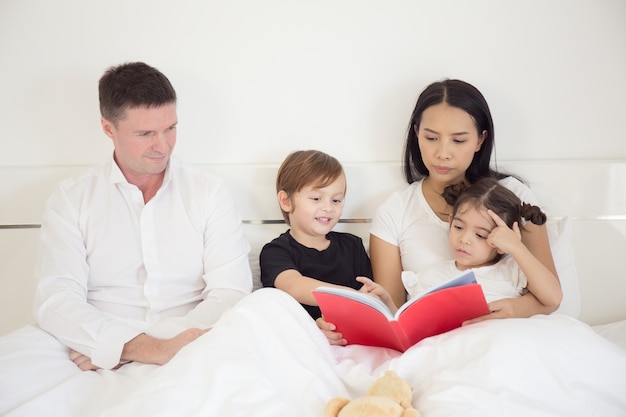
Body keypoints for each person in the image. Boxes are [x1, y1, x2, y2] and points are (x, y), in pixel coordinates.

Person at [32, 62, 253, 371]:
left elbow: (231, 292)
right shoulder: (71, 199)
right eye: (146, 133)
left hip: (191, 342)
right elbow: (56, 300)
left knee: (274, 307)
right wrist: (132, 345)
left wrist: (139, 347)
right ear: (108, 128)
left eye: (170, 128)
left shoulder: (209, 192)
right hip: (94, 349)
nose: (162, 146)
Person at [369, 79, 560, 321]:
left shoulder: (514, 197)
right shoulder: (394, 211)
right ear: (417, 133)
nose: (443, 153)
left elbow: (551, 297)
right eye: (431, 138)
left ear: (480, 140)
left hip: (510, 335)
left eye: (458, 140)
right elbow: (394, 315)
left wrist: (516, 308)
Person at [259, 150, 391, 342]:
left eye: (336, 200)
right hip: (300, 339)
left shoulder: (352, 245)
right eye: (316, 198)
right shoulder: (276, 251)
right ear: (286, 201)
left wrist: (365, 302)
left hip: (350, 338)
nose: (328, 207)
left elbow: (369, 297)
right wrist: (351, 297)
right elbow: (294, 285)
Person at [401, 178, 563, 308]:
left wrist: (516, 247)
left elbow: (553, 298)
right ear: (450, 222)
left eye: (480, 235)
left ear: (502, 242)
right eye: (458, 227)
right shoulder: (431, 276)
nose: (464, 239)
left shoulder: (513, 271)